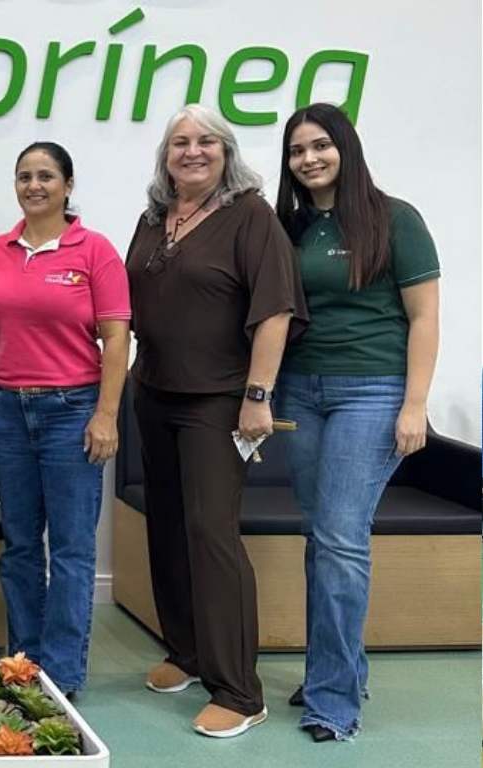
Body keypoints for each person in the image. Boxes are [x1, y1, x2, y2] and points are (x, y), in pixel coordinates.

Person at [124, 104, 307, 738]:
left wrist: (258, 394)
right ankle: (188, 653)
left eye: (206, 141)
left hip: (218, 400)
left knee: (210, 533)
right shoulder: (153, 220)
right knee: (167, 526)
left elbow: (275, 311)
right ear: (165, 156)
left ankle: (238, 689)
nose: (192, 151)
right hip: (152, 393)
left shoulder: (249, 216)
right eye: (180, 142)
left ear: (226, 152)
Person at [273, 103, 440, 743]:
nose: (309, 159)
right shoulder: (290, 227)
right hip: (300, 392)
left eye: (320, 146)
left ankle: (334, 703)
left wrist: (415, 404)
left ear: (346, 147)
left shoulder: (396, 219)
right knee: (324, 537)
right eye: (297, 151)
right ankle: (334, 671)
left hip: (372, 391)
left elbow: (423, 317)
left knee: (341, 540)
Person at [0, 142, 131, 697]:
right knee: (21, 545)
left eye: (46, 176)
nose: (34, 186)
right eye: (24, 177)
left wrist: (107, 414)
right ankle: (22, 666)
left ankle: (62, 676)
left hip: (73, 412)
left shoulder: (94, 250)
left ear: (68, 185)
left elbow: (118, 339)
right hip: (8, 410)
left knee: (73, 549)